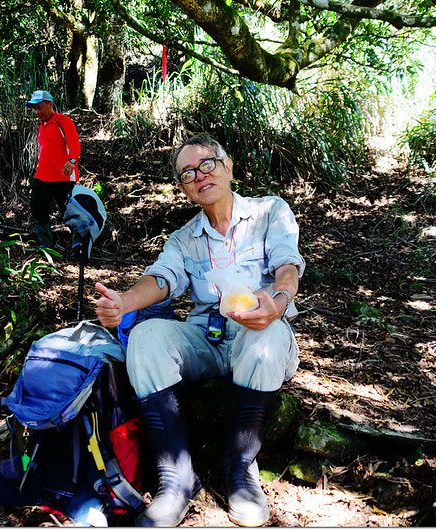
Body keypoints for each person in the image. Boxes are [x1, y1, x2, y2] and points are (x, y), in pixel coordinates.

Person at [93, 133, 304, 527]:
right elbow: (161, 279)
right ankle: (176, 477)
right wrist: (124, 301)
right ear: (182, 188)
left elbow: (287, 268)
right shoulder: (184, 239)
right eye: (187, 172)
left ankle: (239, 468)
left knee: (267, 336)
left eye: (207, 164)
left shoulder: (269, 211)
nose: (199, 175)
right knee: (146, 335)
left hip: (260, 335)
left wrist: (277, 302)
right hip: (207, 337)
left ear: (228, 166)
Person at [25, 89, 82, 250]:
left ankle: (79, 244)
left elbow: (75, 144)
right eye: (34, 109)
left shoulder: (62, 120)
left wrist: (71, 161)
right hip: (42, 175)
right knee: (38, 208)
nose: (37, 112)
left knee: (69, 211)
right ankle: (46, 245)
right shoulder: (41, 124)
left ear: (50, 105)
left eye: (40, 107)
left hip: (63, 176)